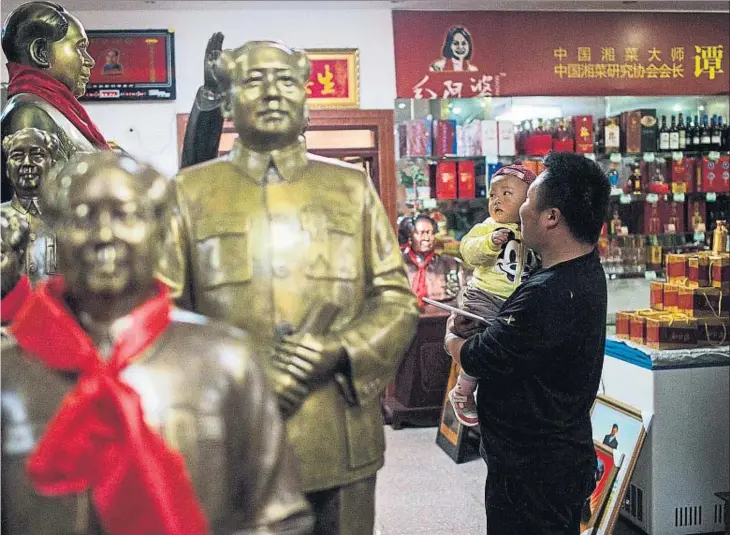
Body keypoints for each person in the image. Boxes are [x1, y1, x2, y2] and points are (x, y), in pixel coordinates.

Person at [163, 40, 419, 534]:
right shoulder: (189, 193)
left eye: (286, 81)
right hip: (231, 437)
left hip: (340, 433)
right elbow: (160, 312)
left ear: (306, 96)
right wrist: (238, 373)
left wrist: (339, 348)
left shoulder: (350, 188)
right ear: (230, 97)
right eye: (254, 80)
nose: (273, 93)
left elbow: (395, 298)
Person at [1, 151, 314, 535]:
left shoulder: (225, 361)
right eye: (81, 217)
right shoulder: (9, 375)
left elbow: (277, 516)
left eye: (126, 215)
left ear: (160, 233)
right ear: (53, 235)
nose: (104, 236)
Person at [444, 151, 611, 534]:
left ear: (551, 217)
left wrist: (453, 337)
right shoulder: (584, 271)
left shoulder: (546, 293)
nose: (519, 212)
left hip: (532, 471)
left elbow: (481, 355)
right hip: (553, 458)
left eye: (529, 203)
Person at [446, 164, 540, 427]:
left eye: (507, 194)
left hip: (516, 300)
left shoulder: (531, 231)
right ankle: (463, 390)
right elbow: (468, 251)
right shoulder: (487, 227)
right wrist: (490, 243)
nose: (497, 200)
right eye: (492, 195)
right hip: (484, 296)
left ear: (528, 201)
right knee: (480, 340)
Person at [1, 1, 110, 202]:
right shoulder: (28, 113)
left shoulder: (51, 109)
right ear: (41, 52)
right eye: (80, 48)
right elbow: (34, 213)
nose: (89, 60)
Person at [402, 214, 464, 308]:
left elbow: (463, 299)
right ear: (410, 236)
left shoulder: (452, 264)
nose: (426, 238)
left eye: (430, 233)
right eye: (421, 233)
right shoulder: (399, 265)